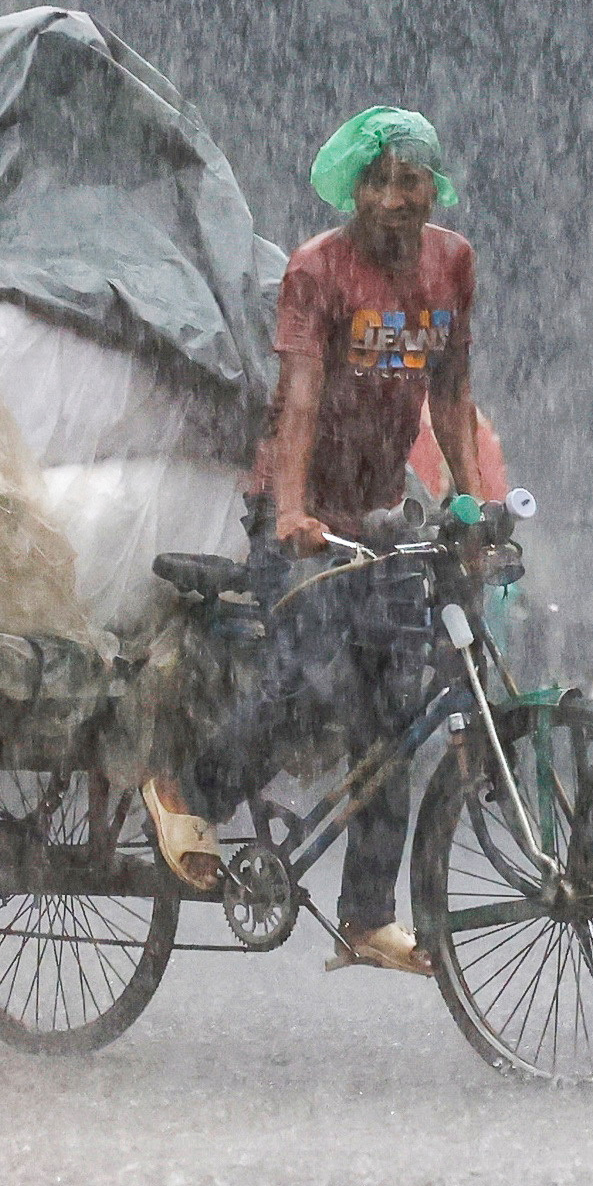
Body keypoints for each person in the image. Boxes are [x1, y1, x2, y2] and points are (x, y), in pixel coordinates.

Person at [152, 107, 508, 973]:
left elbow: (452, 397)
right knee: (312, 678)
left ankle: (366, 916)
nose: (395, 197)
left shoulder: (451, 264)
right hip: (301, 513)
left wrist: (469, 504)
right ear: (355, 189)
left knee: (394, 714)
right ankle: (183, 791)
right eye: (379, 181)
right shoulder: (319, 270)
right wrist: (291, 512)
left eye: (410, 180)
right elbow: (301, 398)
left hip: (385, 516)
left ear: (434, 188)